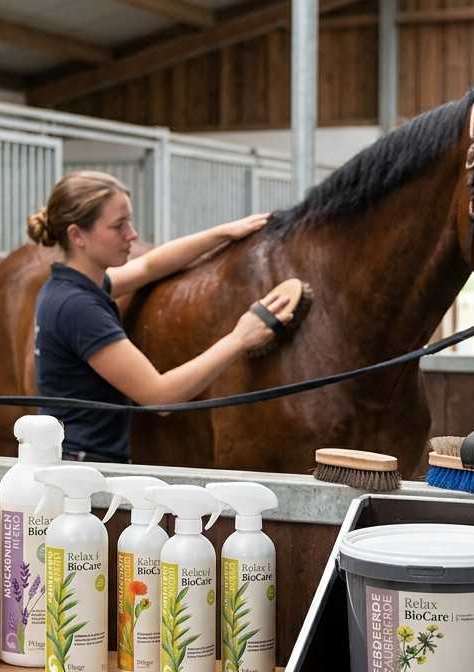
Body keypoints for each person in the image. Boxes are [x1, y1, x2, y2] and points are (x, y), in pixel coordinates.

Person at [27, 171, 293, 463]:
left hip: (77, 460)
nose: (132, 234)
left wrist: (222, 233)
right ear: (77, 235)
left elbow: (149, 267)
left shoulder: (69, 285)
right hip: (82, 472)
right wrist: (239, 338)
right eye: (119, 226)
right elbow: (160, 397)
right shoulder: (77, 307)